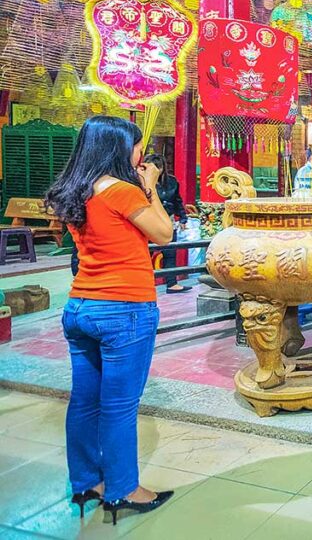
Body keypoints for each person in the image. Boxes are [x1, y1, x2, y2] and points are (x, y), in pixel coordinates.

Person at [44, 116, 175, 523]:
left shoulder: (75, 189)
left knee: (84, 402)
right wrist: (149, 185)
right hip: (124, 309)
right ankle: (123, 489)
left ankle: (86, 483)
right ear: (118, 148)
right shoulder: (121, 190)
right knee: (119, 407)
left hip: (80, 306)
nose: (141, 154)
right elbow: (165, 233)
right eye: (137, 146)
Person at [143, 154, 189, 293]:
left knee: (170, 252)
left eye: (157, 167)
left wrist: (182, 218)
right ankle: (144, 284)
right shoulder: (139, 182)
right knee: (144, 254)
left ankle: (171, 283)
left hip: (166, 220)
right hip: (146, 221)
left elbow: (177, 201)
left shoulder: (172, 182)